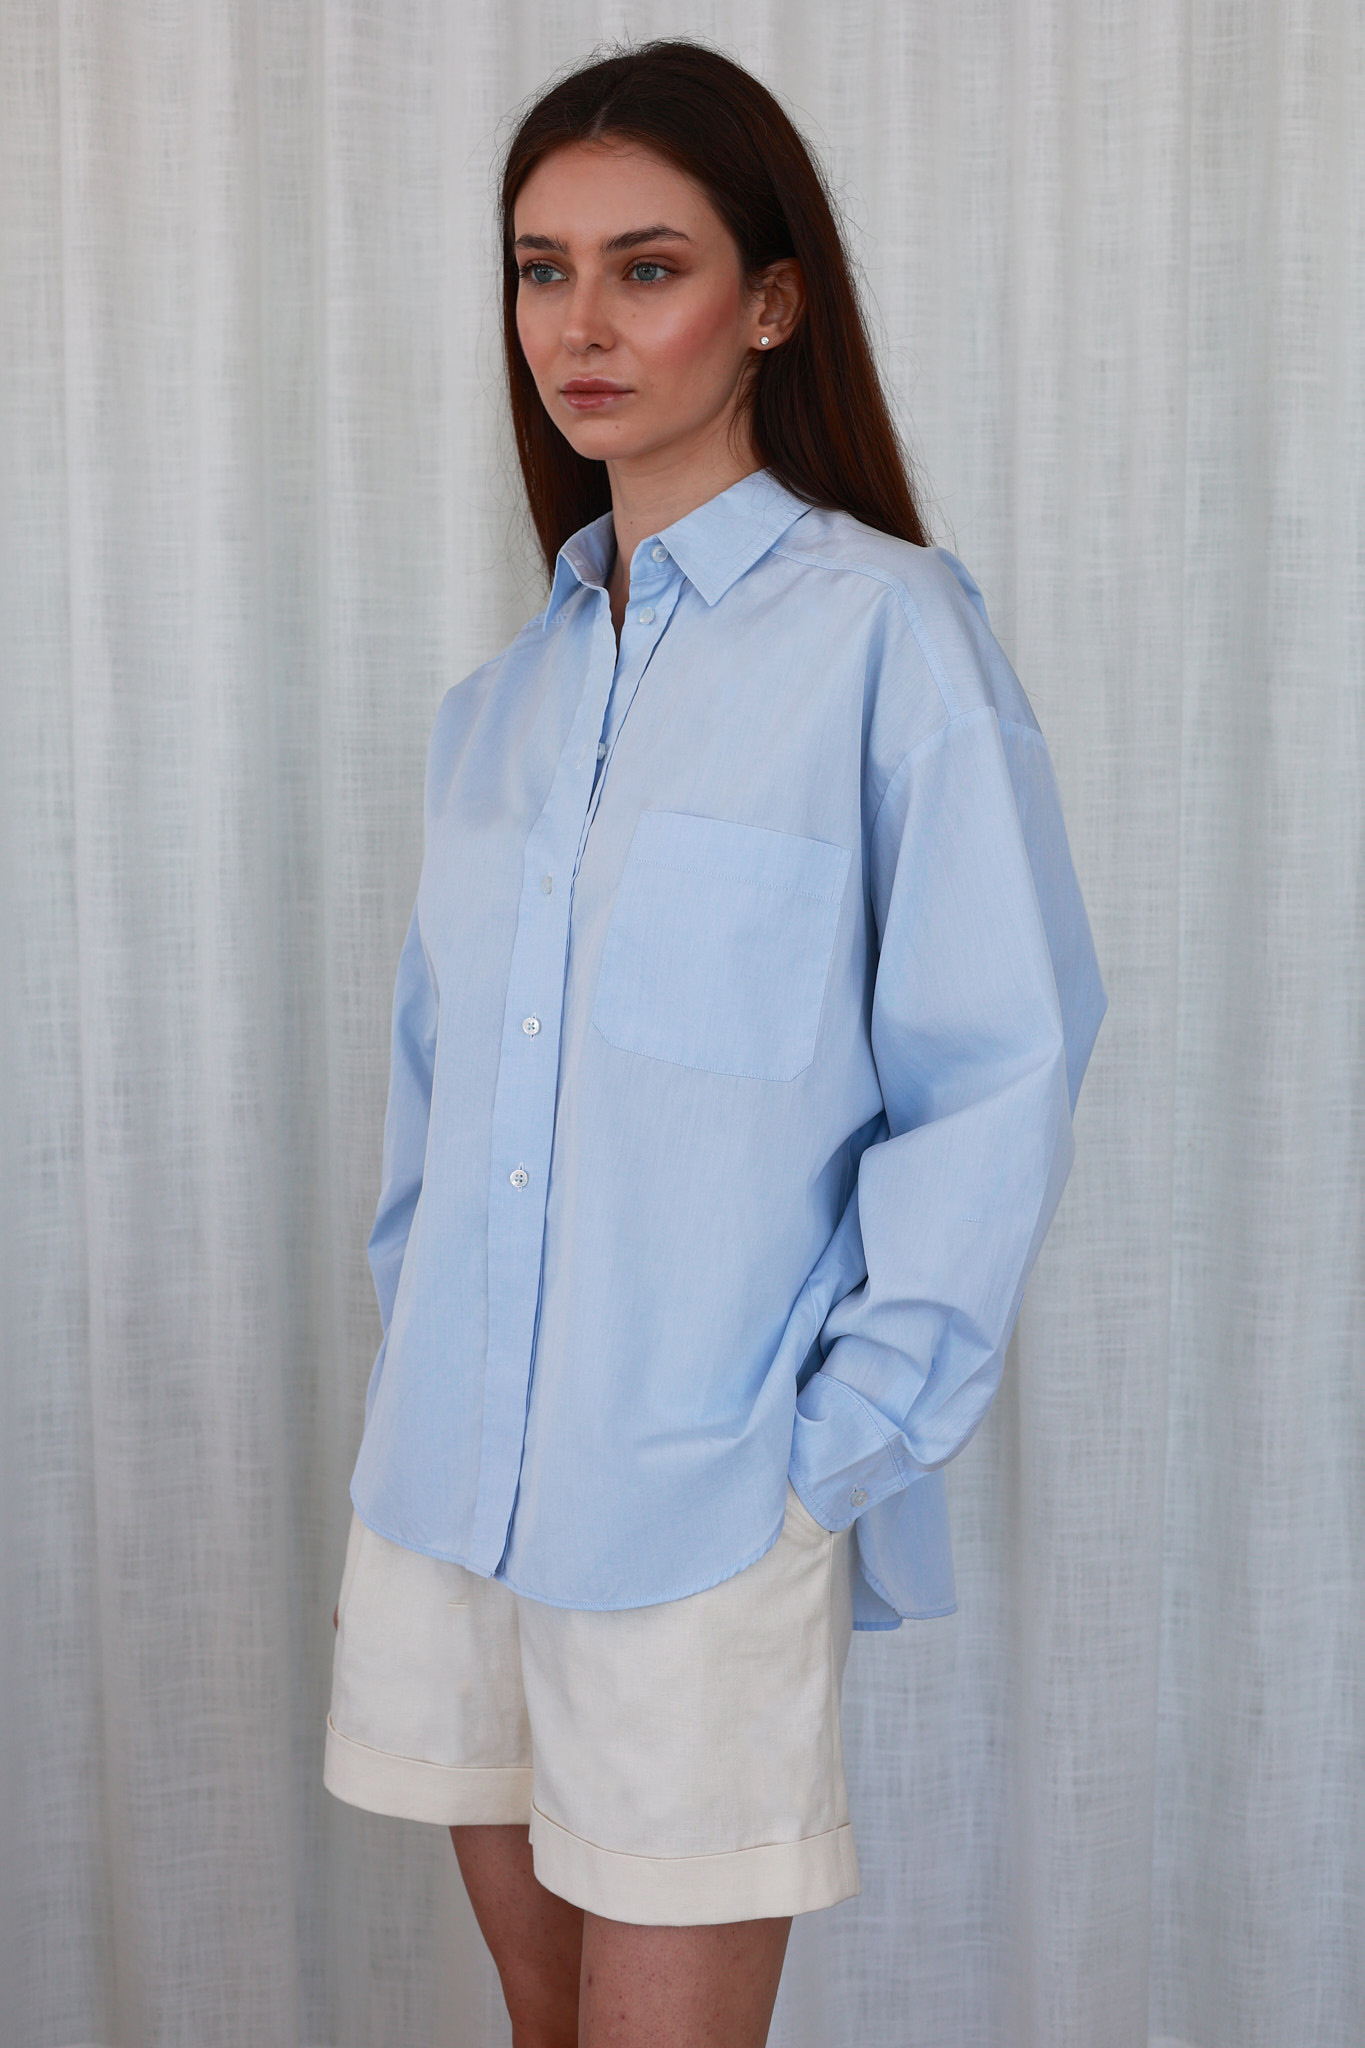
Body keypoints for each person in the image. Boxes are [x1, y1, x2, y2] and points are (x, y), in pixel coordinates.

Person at [324, 35, 1107, 2048]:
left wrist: (827, 1454)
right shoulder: (498, 706)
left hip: (699, 1501)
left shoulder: (890, 637)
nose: (576, 325)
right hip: (451, 1492)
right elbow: (438, 1100)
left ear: (768, 303)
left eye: (644, 267)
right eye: (540, 269)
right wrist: (416, 1337)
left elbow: (998, 1065)